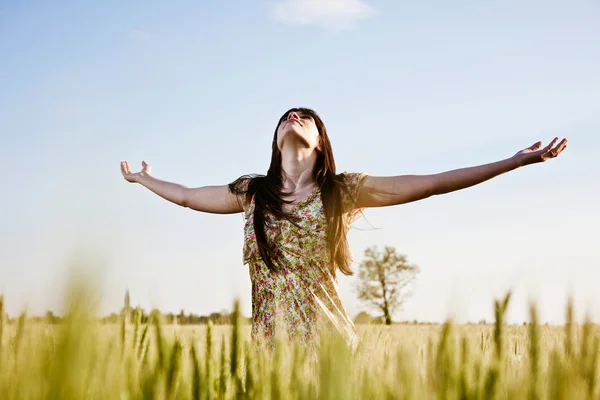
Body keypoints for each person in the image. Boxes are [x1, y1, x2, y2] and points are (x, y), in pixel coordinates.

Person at [120, 107, 567, 350]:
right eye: (286, 116)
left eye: (306, 117)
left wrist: (512, 162)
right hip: (268, 348)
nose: (294, 117)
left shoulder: (342, 191)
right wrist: (143, 179)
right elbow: (186, 195)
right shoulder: (251, 192)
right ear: (275, 140)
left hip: (328, 345)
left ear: (320, 141)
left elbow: (432, 183)